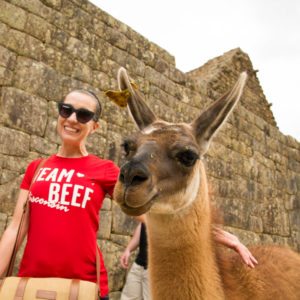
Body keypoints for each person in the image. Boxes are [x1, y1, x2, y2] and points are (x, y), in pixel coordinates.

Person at [0, 90, 119, 300]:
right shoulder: (36, 168)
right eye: (67, 110)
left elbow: (144, 211)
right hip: (30, 286)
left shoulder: (107, 170)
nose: (72, 119)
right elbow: (16, 228)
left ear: (94, 126)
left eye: (83, 115)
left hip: (86, 287)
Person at [120, 215, 258, 300]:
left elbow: (196, 227)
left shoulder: (172, 209)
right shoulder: (152, 206)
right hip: (138, 265)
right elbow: (143, 225)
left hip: (155, 272)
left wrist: (232, 241)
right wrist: (128, 249)